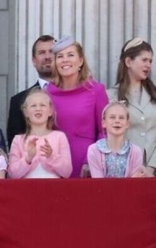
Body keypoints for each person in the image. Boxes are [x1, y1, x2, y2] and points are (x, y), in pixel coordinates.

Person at [106, 38, 156, 177]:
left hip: (155, 175)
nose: (148, 65)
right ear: (128, 62)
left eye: (150, 61)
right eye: (144, 60)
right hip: (124, 173)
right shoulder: (111, 96)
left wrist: (152, 168)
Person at [47, 35, 109, 178]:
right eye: (60, 56)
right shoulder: (47, 93)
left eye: (70, 55)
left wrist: (91, 160)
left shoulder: (96, 90)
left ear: (80, 60)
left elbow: (104, 131)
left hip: (85, 165)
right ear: (55, 63)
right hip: (54, 164)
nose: (65, 60)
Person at [8, 89, 72, 179]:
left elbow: (67, 172)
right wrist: (28, 158)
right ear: (26, 112)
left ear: (50, 111)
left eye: (42, 105)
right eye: (33, 106)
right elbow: (12, 174)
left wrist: (51, 156)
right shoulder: (18, 140)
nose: (38, 109)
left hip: (54, 189)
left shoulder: (60, 137)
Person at [7, 35, 54, 146]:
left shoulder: (74, 94)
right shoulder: (18, 100)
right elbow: (14, 145)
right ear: (34, 61)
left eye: (51, 51)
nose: (47, 56)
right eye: (42, 52)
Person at [87, 101, 145, 178]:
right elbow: (98, 183)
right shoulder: (94, 150)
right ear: (104, 122)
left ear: (127, 124)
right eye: (112, 117)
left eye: (121, 118)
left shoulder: (135, 151)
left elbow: (134, 184)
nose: (117, 121)